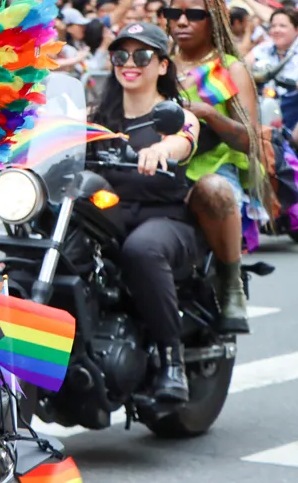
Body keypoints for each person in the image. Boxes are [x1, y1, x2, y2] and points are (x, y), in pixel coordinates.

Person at [91, 23, 201, 401]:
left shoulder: (177, 115)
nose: (129, 63)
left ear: (163, 66)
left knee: (142, 249)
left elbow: (184, 139)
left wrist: (160, 150)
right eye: (120, 55)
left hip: (163, 219)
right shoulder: (97, 117)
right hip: (107, 216)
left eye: (141, 56)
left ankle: (173, 360)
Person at [166, 0, 267, 333]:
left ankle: (231, 283)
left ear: (214, 20)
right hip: (162, 165)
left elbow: (249, 141)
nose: (182, 21)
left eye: (194, 15)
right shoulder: (157, 64)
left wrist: (209, 113)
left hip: (212, 167)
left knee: (215, 190)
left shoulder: (230, 69)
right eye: (174, 13)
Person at [246, 7, 298, 217]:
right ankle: (255, 197)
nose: (276, 30)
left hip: (294, 117)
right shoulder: (262, 49)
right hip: (264, 113)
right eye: (273, 26)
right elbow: (241, 65)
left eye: (283, 26)